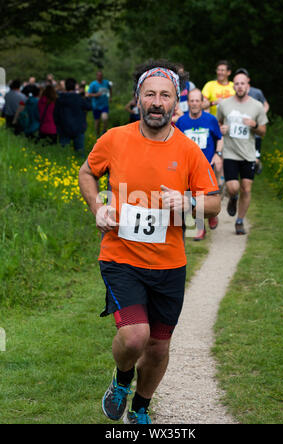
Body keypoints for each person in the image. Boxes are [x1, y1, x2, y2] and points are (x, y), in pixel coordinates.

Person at [78, 59, 221, 424]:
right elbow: (87, 172)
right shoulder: (115, 139)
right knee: (134, 337)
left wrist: (189, 202)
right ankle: (122, 380)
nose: (157, 102)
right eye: (150, 94)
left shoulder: (188, 150)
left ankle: (141, 407)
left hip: (169, 264)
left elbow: (214, 201)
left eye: (165, 96)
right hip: (120, 256)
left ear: (176, 103)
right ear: (137, 99)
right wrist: (97, 207)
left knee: (158, 347)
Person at [217, 72, 268, 235]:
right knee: (233, 188)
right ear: (234, 85)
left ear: (248, 85)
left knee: (246, 188)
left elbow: (263, 132)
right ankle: (233, 198)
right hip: (230, 152)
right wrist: (221, 129)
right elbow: (218, 123)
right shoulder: (224, 105)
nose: (239, 86)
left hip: (248, 154)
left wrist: (254, 125)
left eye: (242, 83)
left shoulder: (257, 106)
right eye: (237, 83)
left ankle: (239, 221)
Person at [177, 88, 223, 240]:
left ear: (202, 102)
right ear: (188, 103)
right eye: (192, 101)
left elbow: (220, 138)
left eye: (198, 101)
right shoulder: (182, 122)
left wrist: (218, 154)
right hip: (188, 167)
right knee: (194, 198)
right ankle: (200, 229)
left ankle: (211, 215)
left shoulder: (210, 119)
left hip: (207, 166)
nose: (195, 104)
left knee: (207, 197)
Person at [234, 68, 270, 175]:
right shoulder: (233, 92)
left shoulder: (256, 92)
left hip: (254, 128)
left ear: (248, 79)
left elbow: (266, 105)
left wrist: (260, 115)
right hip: (240, 129)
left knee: (255, 157)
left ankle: (256, 163)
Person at [54, 77, 92, 157]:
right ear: (75, 86)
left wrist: (58, 126)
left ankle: (63, 163)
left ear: (65, 86)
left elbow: (55, 114)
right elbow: (89, 107)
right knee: (80, 152)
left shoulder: (60, 99)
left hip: (63, 128)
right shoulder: (79, 98)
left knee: (63, 153)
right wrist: (88, 97)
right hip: (78, 128)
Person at [88, 70, 112, 137]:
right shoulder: (93, 84)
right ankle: (97, 135)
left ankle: (104, 132)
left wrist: (110, 97)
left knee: (105, 118)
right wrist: (95, 95)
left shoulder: (106, 82)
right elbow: (88, 94)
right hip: (96, 105)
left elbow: (110, 88)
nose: (100, 77)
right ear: (96, 76)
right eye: (98, 75)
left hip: (104, 104)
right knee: (97, 121)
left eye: (101, 75)